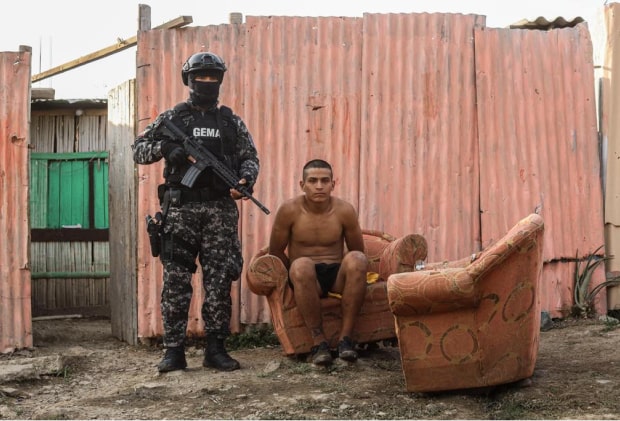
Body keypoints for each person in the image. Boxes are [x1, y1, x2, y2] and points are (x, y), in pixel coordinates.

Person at [132, 52, 260, 373]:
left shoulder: (231, 122)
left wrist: (245, 180)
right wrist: (165, 148)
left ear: (220, 81)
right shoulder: (173, 118)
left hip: (220, 210)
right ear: (188, 80)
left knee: (219, 280)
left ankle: (215, 349)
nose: (206, 83)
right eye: (200, 77)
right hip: (180, 209)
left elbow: (249, 158)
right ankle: (173, 351)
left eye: (212, 77)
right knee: (176, 280)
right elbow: (138, 148)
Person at [268, 159, 369, 366]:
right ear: (302, 185)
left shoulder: (344, 211)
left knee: (358, 260)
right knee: (302, 265)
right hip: (306, 277)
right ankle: (318, 343)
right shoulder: (289, 210)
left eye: (325, 180)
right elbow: (275, 251)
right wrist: (295, 278)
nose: (319, 186)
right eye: (313, 181)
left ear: (334, 183)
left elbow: (358, 249)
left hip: (336, 275)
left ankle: (346, 340)